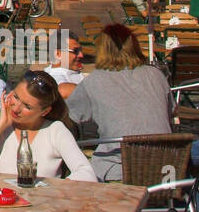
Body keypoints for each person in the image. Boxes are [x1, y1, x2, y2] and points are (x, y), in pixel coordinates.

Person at [65, 24, 172, 181]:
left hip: (120, 171)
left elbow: (67, 118)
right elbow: (169, 113)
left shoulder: (95, 80)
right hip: (167, 170)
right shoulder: (156, 75)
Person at [0, 70, 97, 181]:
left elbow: (86, 174)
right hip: (3, 207)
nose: (16, 108)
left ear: (45, 111)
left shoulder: (54, 130)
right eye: (16, 97)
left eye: (27, 106)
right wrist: (1, 124)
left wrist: (54, 190)